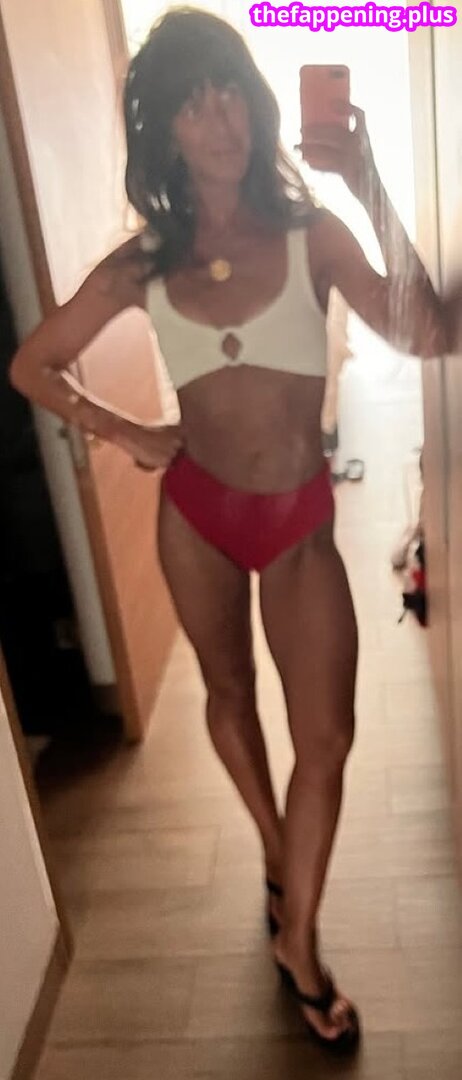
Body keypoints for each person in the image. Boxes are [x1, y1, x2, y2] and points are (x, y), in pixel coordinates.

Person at [10, 8, 448, 1051]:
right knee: (227, 694)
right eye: (193, 100)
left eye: (231, 93)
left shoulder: (313, 235)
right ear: (164, 126)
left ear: (255, 105)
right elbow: (33, 363)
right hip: (197, 515)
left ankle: (293, 924)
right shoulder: (142, 263)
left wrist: (370, 183)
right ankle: (283, 883)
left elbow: (428, 330)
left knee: (327, 739)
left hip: (299, 523)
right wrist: (126, 431)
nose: (220, 117)